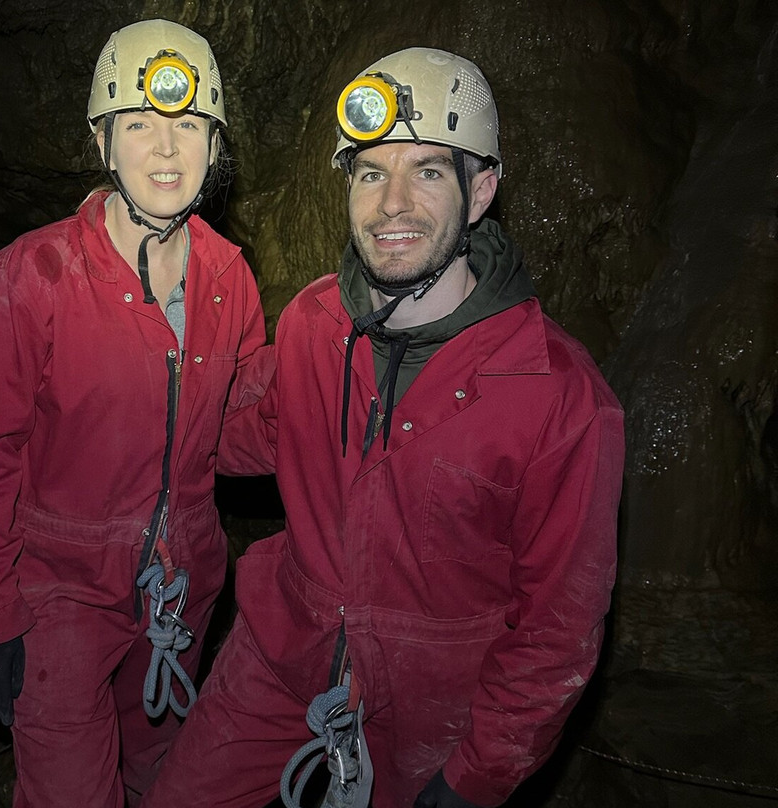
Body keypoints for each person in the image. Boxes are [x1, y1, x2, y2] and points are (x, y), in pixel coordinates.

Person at [141, 47, 625, 808]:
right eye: (371, 173)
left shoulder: (558, 396)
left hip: (434, 705)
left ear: (482, 189)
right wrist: (140, 364)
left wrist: (479, 774)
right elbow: (236, 435)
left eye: (428, 171)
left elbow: (557, 630)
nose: (392, 204)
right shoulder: (313, 324)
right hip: (284, 653)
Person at [0, 19, 269, 807]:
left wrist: (342, 377)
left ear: (214, 147)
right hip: (59, 598)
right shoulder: (30, 281)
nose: (164, 148)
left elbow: (238, 435)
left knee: (159, 773)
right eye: (140, 125)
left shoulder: (230, 278)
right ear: (102, 143)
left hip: (181, 588)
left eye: (187, 125)